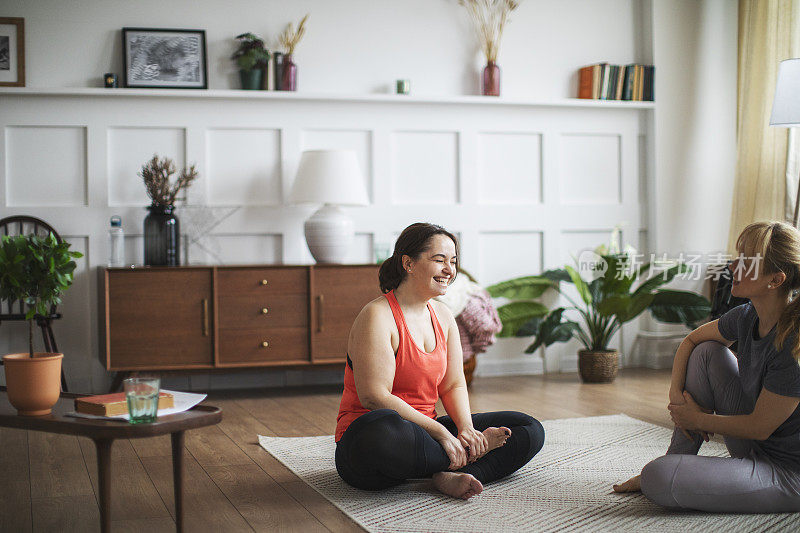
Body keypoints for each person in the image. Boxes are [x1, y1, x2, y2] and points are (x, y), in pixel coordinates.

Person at [335, 222, 545, 500]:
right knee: (383, 428)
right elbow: (374, 396)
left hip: (426, 436)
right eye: (439, 260)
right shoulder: (377, 316)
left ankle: (451, 473)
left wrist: (466, 429)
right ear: (408, 263)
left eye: (453, 261)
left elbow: (454, 384)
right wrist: (443, 434)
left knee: (529, 429)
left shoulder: (444, 317)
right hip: (371, 444)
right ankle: (457, 458)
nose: (450, 270)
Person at [613, 221, 800, 512]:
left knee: (657, 476)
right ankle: (677, 459)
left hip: (788, 474)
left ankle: (674, 470)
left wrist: (697, 420)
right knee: (706, 352)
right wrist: (678, 399)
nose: (732, 265)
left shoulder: (794, 343)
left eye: (746, 261)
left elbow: (760, 427)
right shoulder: (747, 315)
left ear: (775, 280)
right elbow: (690, 342)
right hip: (754, 446)